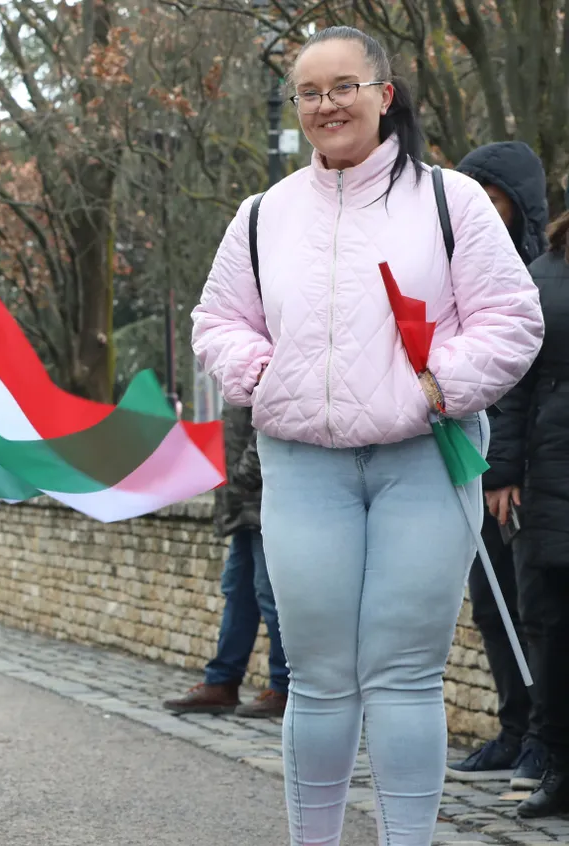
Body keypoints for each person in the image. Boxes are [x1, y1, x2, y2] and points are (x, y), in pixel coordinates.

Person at [191, 26, 543, 845]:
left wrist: (440, 385)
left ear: (385, 96)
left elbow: (511, 317)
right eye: (309, 93)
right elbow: (218, 321)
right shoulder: (261, 215)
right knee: (316, 678)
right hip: (303, 463)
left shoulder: (451, 202)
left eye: (343, 86)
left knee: (405, 675)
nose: (326, 105)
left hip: (423, 460)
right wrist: (261, 375)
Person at [447, 141, 550, 790]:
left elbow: (523, 385)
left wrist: (505, 468)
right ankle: (514, 728)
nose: (482, 213)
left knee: (531, 608)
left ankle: (543, 734)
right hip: (474, 463)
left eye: (493, 200)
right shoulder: (458, 268)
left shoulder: (538, 273)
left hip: (519, 474)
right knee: (490, 605)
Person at [484, 195, 569, 818]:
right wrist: (504, 471)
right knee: (549, 623)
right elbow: (514, 378)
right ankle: (555, 759)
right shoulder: (545, 274)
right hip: (549, 479)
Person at [163, 405, 288, 718]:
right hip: (243, 501)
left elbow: (271, 416)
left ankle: (285, 685)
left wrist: (244, 474)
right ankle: (222, 682)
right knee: (238, 591)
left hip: (263, 496)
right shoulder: (238, 360)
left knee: (270, 595)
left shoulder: (263, 357)